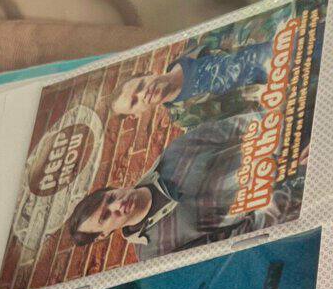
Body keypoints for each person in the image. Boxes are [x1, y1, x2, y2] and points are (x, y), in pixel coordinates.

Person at [62, 110, 300, 258]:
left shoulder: (173, 154)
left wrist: (288, 144)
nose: (117, 205)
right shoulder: (155, 254)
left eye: (111, 198)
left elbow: (240, 125)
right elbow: (233, 244)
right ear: (103, 235)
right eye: (106, 216)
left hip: (292, 145)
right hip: (290, 203)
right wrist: (283, 200)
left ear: (114, 188)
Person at [110, 24, 275, 129]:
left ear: (148, 74)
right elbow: (243, 120)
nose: (142, 93)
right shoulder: (187, 118)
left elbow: (253, 23)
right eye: (134, 102)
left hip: (280, 42)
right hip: (279, 87)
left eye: (140, 86)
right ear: (137, 114)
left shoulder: (198, 41)